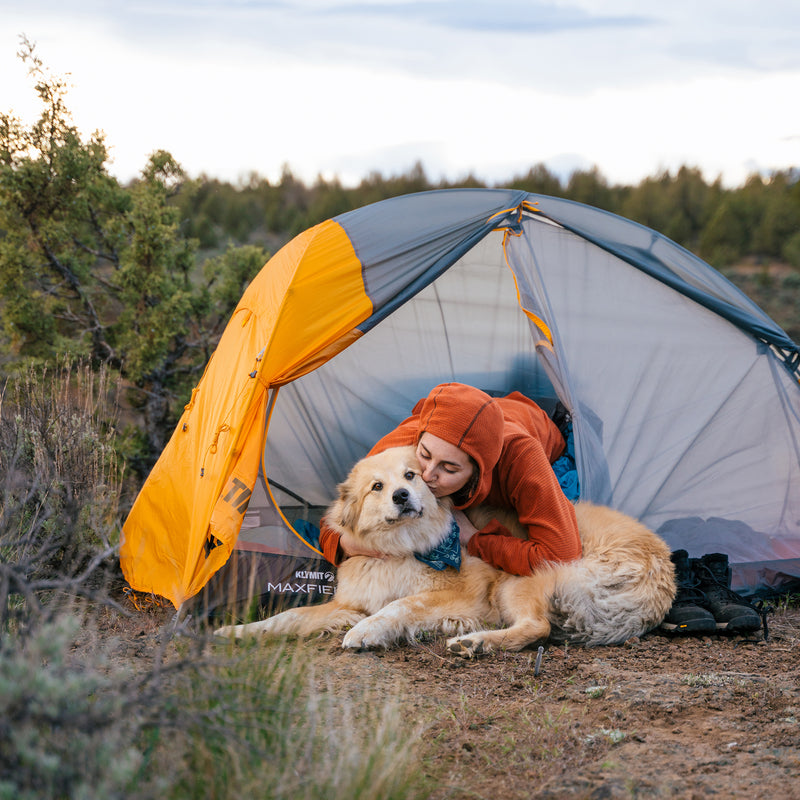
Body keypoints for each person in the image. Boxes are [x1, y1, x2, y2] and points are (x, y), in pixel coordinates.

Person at [318, 382, 581, 575]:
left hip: (535, 424)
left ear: (478, 474)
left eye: (449, 469)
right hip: (474, 410)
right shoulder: (403, 448)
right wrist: (350, 543)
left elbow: (561, 558)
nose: (428, 474)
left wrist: (475, 539)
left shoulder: (522, 457)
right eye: (425, 454)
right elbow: (339, 517)